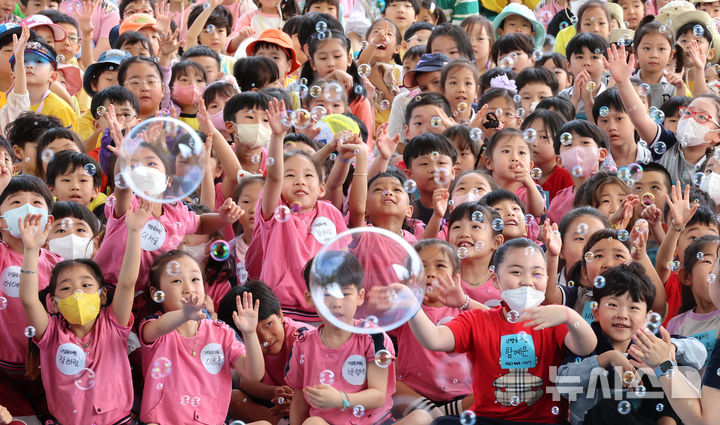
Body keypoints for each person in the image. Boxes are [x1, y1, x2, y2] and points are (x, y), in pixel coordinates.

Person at [407, 237, 597, 424]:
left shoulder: (554, 317)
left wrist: (569, 315)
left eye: (537, 274)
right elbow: (434, 339)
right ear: (495, 280)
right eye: (516, 272)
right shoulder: (476, 320)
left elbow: (586, 346)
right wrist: (412, 305)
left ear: (547, 280)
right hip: (487, 420)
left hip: (544, 421)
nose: (527, 281)